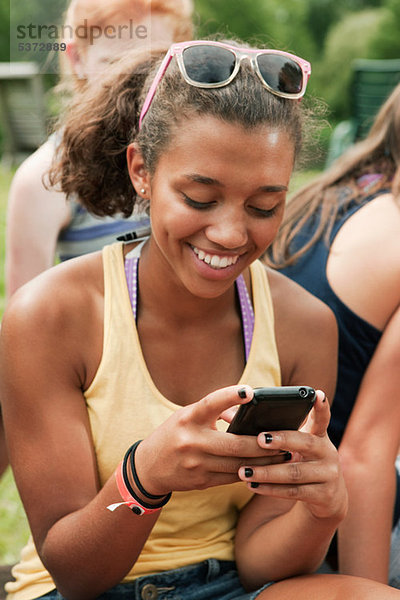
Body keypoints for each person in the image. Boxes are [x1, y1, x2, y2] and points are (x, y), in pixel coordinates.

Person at [1, 39, 399, 600]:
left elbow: (260, 561)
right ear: (142, 170)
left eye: (264, 206)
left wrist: (320, 511)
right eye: (199, 198)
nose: (232, 234)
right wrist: (145, 478)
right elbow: (74, 572)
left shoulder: (304, 324)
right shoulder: (52, 315)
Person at [0, 0, 194, 480]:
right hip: (97, 387)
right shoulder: (46, 179)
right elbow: (25, 335)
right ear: (76, 59)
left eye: (153, 64)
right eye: (114, 64)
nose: (137, 86)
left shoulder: (192, 161)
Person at [269, 82, 400, 586]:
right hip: (316, 530)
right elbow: (364, 456)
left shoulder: (329, 195)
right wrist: (363, 593)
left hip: (250, 506)